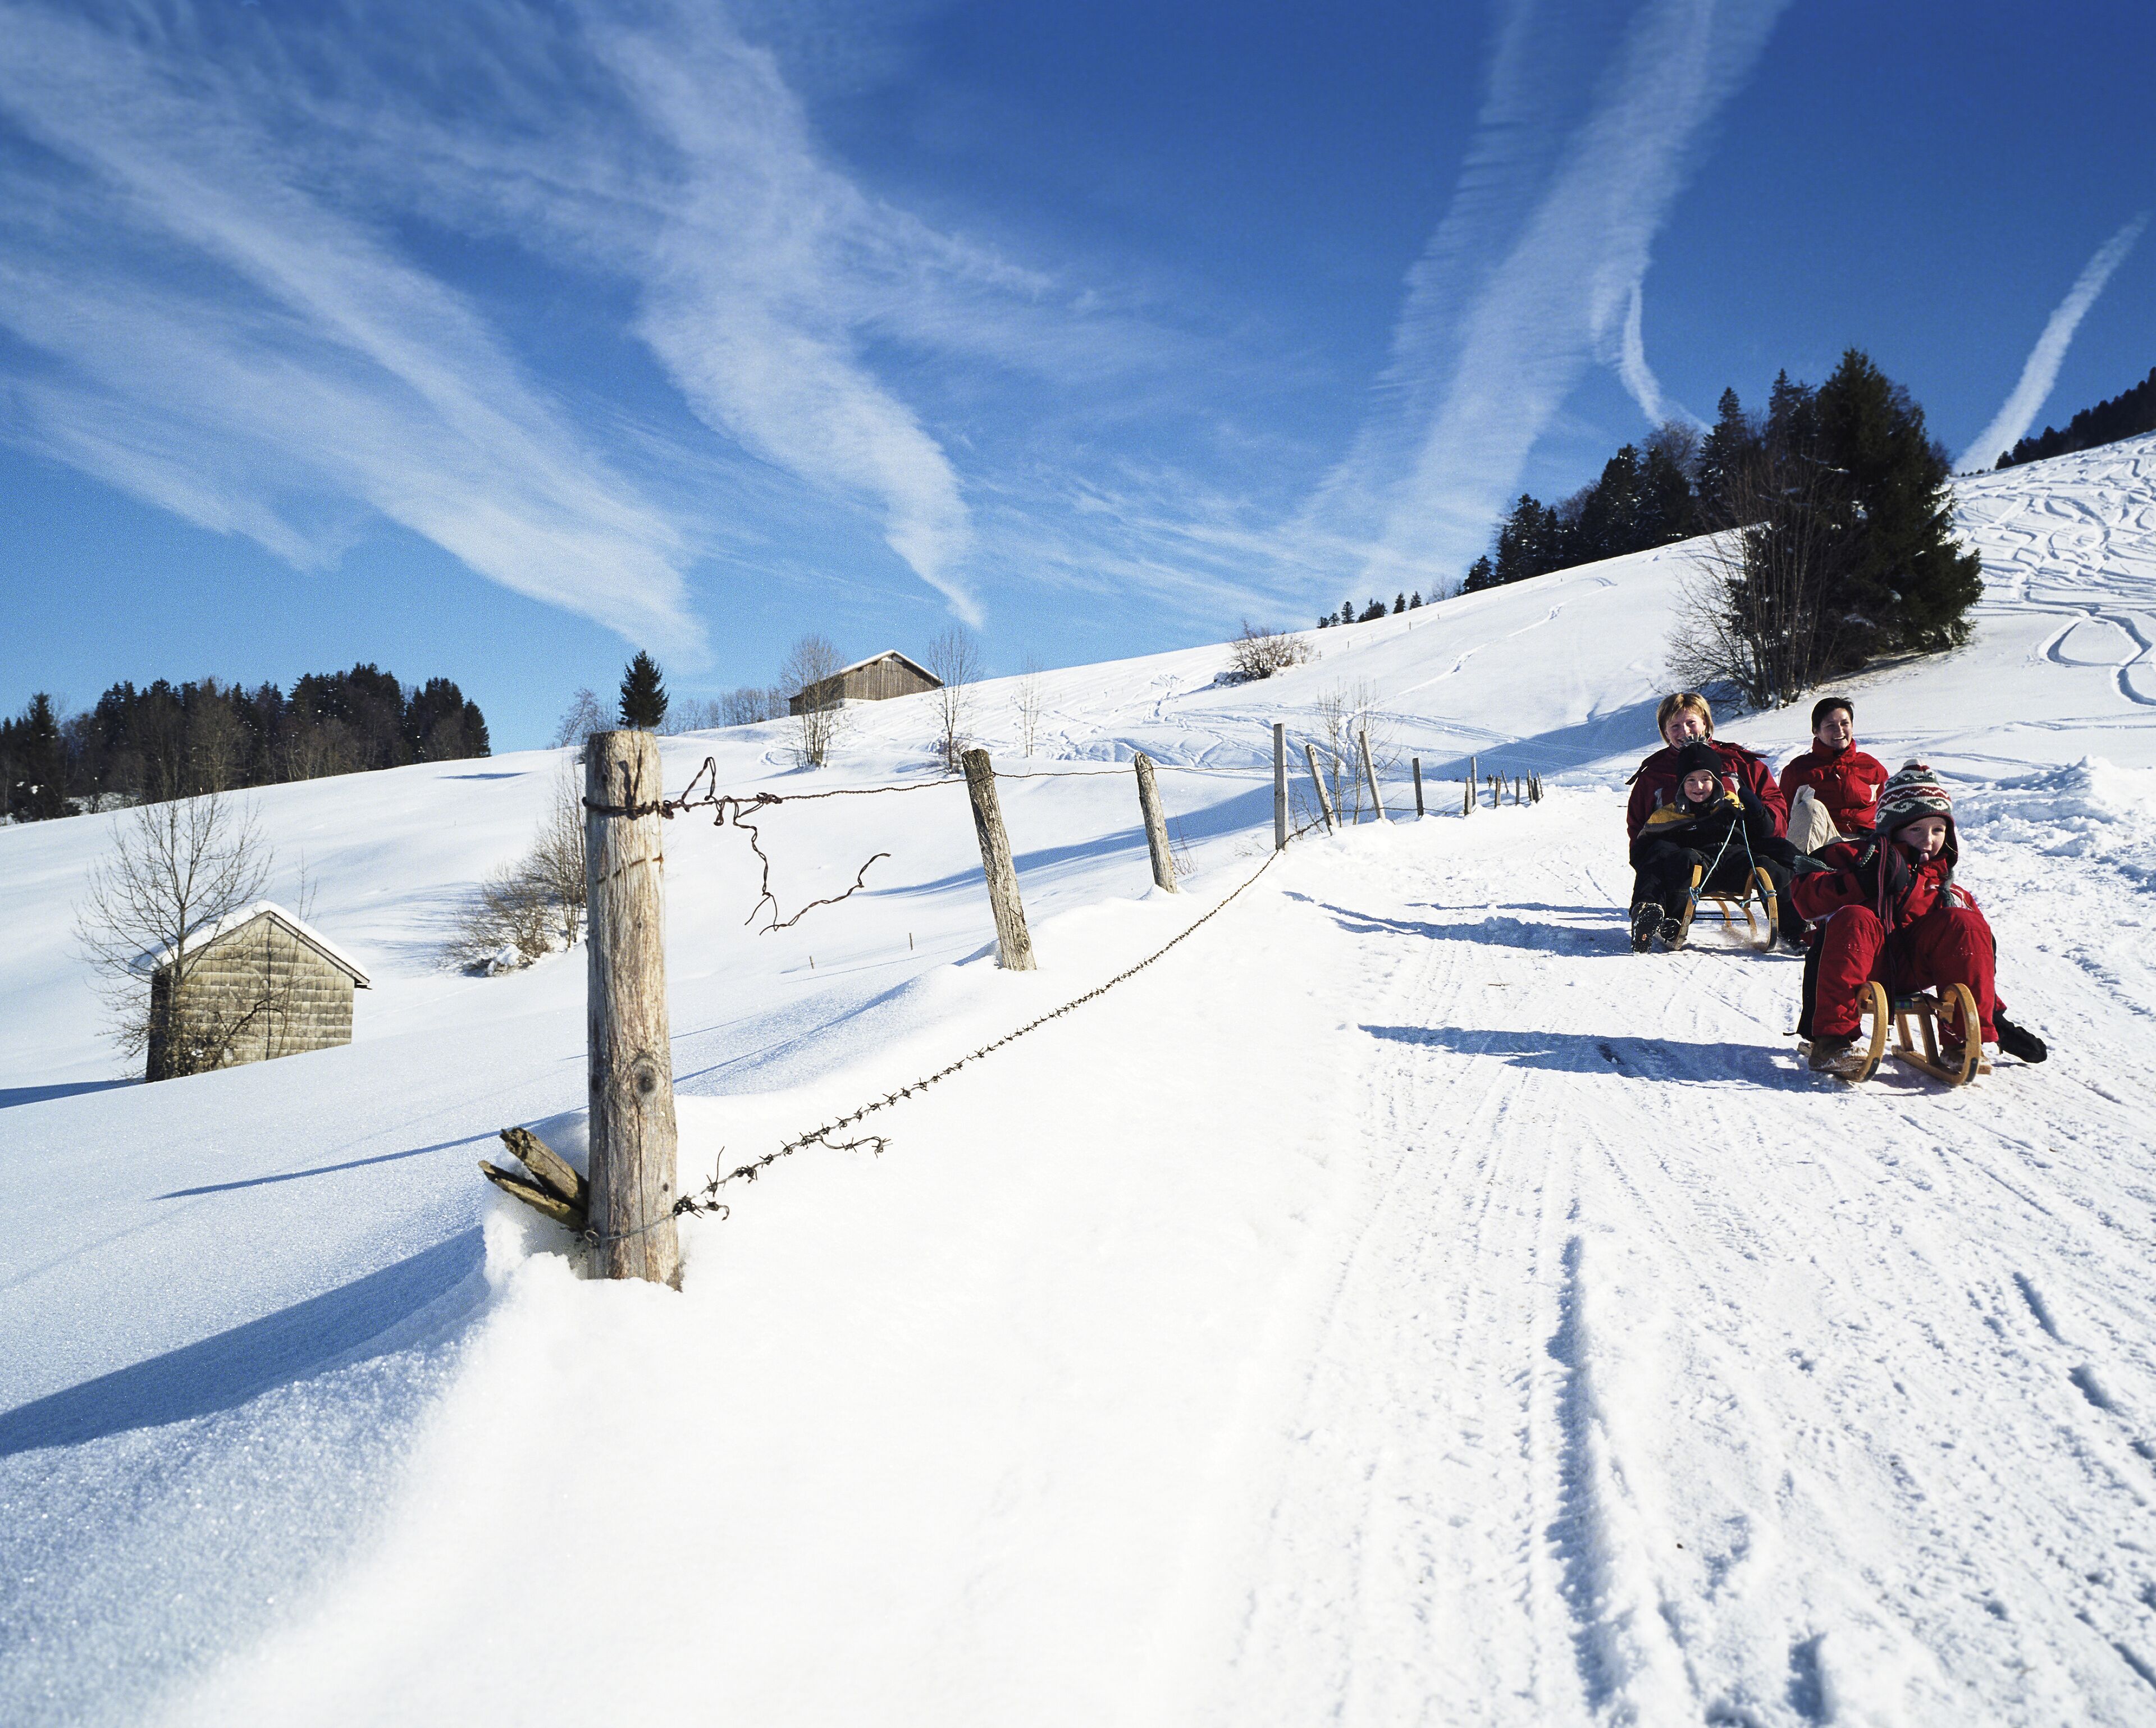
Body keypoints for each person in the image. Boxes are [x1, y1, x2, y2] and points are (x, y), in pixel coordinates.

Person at [1792, 761, 2048, 1076]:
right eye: (1916, 829)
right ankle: (1832, 1042)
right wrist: (1863, 880)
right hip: (1862, 963)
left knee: (1966, 923)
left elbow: (1973, 958)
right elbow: (1804, 899)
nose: (1929, 840)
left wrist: (1994, 1017)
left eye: (1938, 830)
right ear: (1892, 829)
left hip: (1918, 967)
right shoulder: (1857, 858)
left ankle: (1964, 1041)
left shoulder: (1946, 889)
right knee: (1855, 917)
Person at [1626, 692, 1801, 943]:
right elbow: (1639, 825)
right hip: (1679, 858)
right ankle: (1653, 913)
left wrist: (1761, 820)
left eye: (1691, 723)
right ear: (1665, 732)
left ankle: (1795, 929)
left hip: (1736, 849)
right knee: (1664, 855)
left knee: (1776, 864)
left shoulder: (1738, 763)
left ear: (1706, 723)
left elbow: (1774, 804)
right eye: (1675, 726)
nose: (1684, 731)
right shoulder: (1654, 773)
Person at [1779, 696, 1888, 853]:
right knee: (1811, 807)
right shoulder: (1798, 770)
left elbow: (1889, 812)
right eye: (1831, 725)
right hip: (1822, 841)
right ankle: (1802, 873)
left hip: (1866, 843)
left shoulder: (1872, 767)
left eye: (1845, 723)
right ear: (1816, 731)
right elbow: (1782, 816)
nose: (1839, 730)